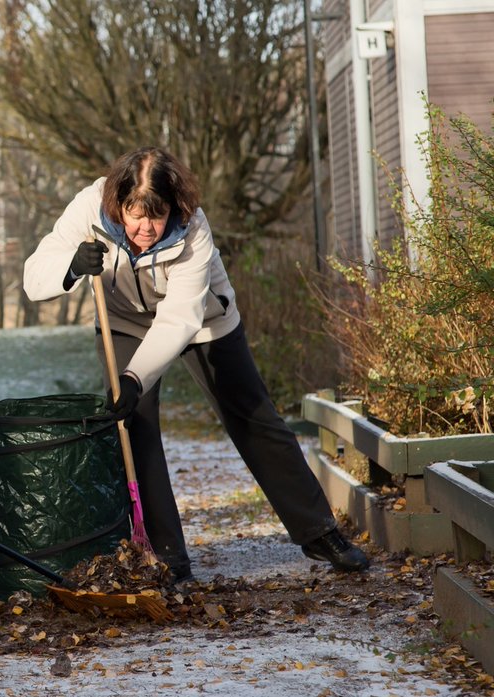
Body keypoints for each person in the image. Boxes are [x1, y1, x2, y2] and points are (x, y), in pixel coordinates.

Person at [22, 146, 369, 583]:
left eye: (157, 215)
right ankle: (169, 559)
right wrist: (70, 267)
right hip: (123, 324)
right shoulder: (88, 210)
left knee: (254, 417)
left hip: (202, 320)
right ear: (118, 202)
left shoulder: (193, 229)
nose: (145, 228)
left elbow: (178, 318)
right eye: (134, 213)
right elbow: (33, 276)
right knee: (136, 427)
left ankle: (320, 532)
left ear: (173, 207)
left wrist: (134, 377)